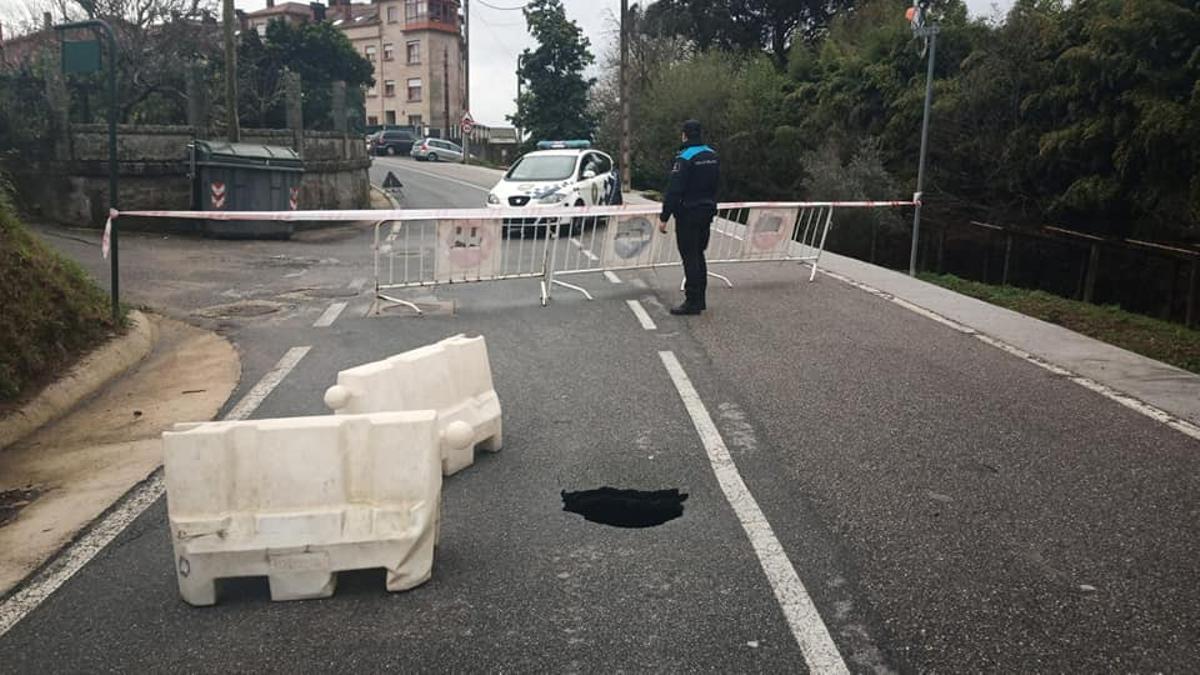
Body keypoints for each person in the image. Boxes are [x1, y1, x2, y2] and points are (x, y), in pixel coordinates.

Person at [659, 119, 720, 315]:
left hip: (687, 213)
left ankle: (692, 301)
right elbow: (719, 183)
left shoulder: (685, 157)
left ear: (684, 134)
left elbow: (674, 190)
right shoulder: (712, 155)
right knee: (699, 255)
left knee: (690, 257)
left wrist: (664, 216)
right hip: (707, 211)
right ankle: (699, 299)